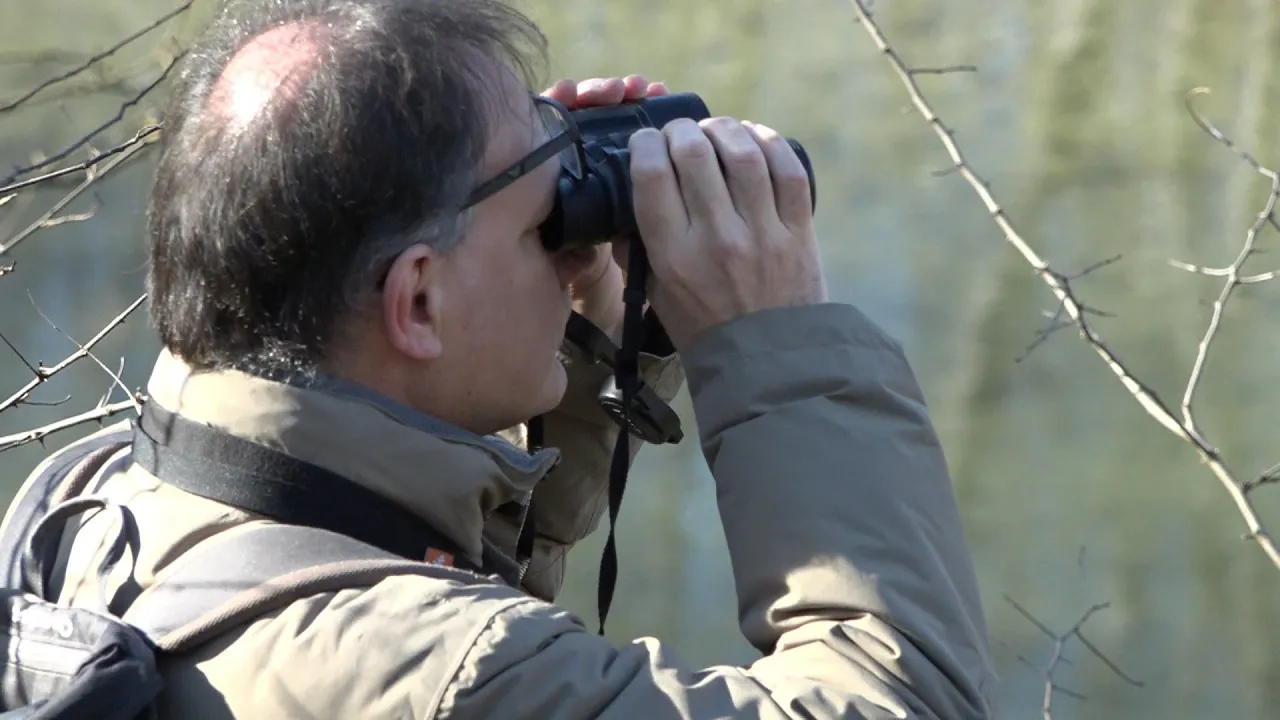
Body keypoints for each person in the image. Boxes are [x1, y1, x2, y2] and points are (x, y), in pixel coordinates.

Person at [0, 0, 1000, 717]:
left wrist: (599, 344)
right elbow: (902, 696)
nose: (572, 240)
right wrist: (773, 340)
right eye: (543, 218)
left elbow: (383, 565)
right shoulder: (452, 675)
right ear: (420, 300)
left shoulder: (88, 506)